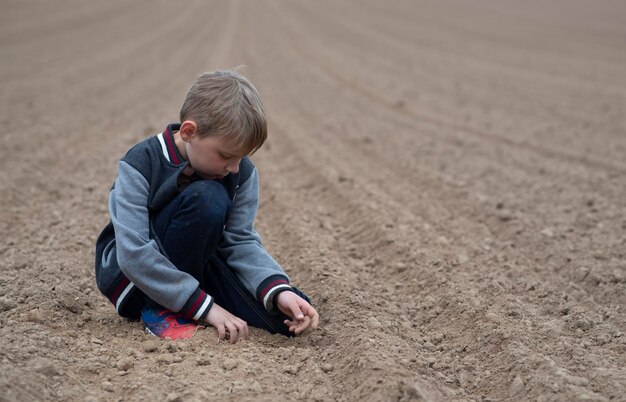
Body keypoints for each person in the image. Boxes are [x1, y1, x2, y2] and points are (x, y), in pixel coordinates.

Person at [94, 70, 319, 342]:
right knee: (207, 198)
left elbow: (240, 240)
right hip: (135, 280)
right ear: (189, 132)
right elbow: (133, 253)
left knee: (284, 319)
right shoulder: (141, 163)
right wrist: (208, 308)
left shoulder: (240, 172)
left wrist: (279, 290)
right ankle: (163, 308)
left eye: (241, 157)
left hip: (197, 264)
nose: (234, 168)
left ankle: (194, 300)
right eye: (225, 155)